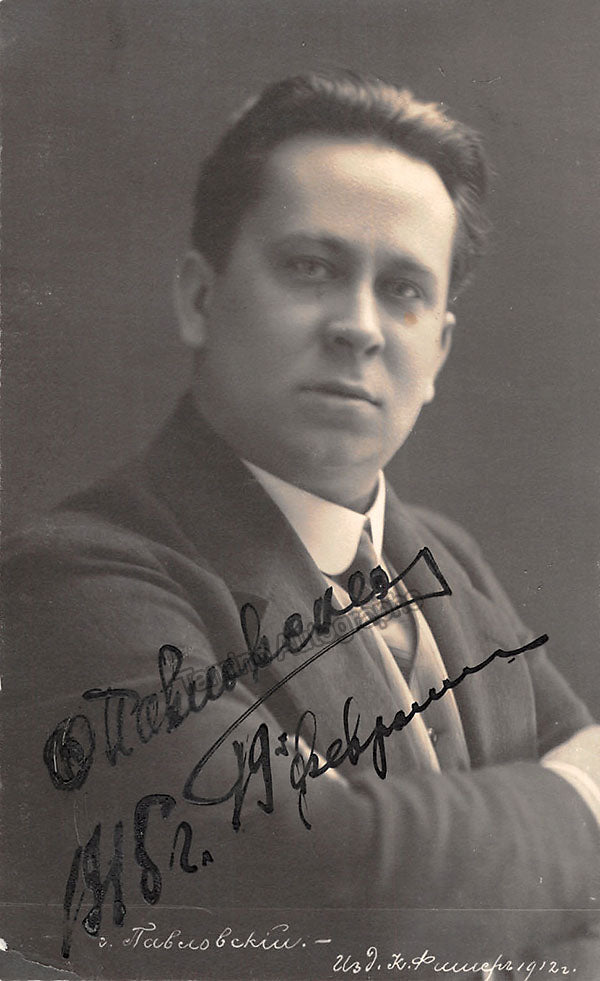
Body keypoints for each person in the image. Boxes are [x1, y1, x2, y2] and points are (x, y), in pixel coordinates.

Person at [3, 70, 600, 976]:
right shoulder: (70, 581)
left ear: (438, 351)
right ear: (199, 298)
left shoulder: (445, 556)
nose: (360, 327)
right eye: (311, 268)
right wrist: (583, 802)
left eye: (403, 289)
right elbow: (329, 891)